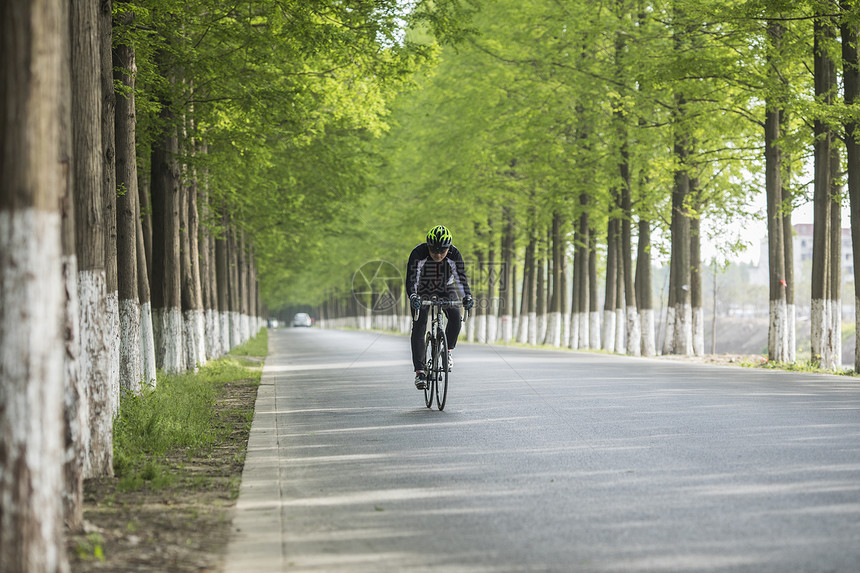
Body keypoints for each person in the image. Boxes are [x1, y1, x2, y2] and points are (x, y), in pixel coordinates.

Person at [405, 225, 474, 389]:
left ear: (448, 248)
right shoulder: (418, 253)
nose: (437, 255)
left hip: (446, 288)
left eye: (442, 252)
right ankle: (420, 372)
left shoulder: (454, 254)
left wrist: (467, 297)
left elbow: (461, 278)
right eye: (434, 251)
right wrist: (413, 296)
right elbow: (412, 279)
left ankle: (447, 351)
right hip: (422, 289)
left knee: (456, 317)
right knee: (419, 325)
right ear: (428, 247)